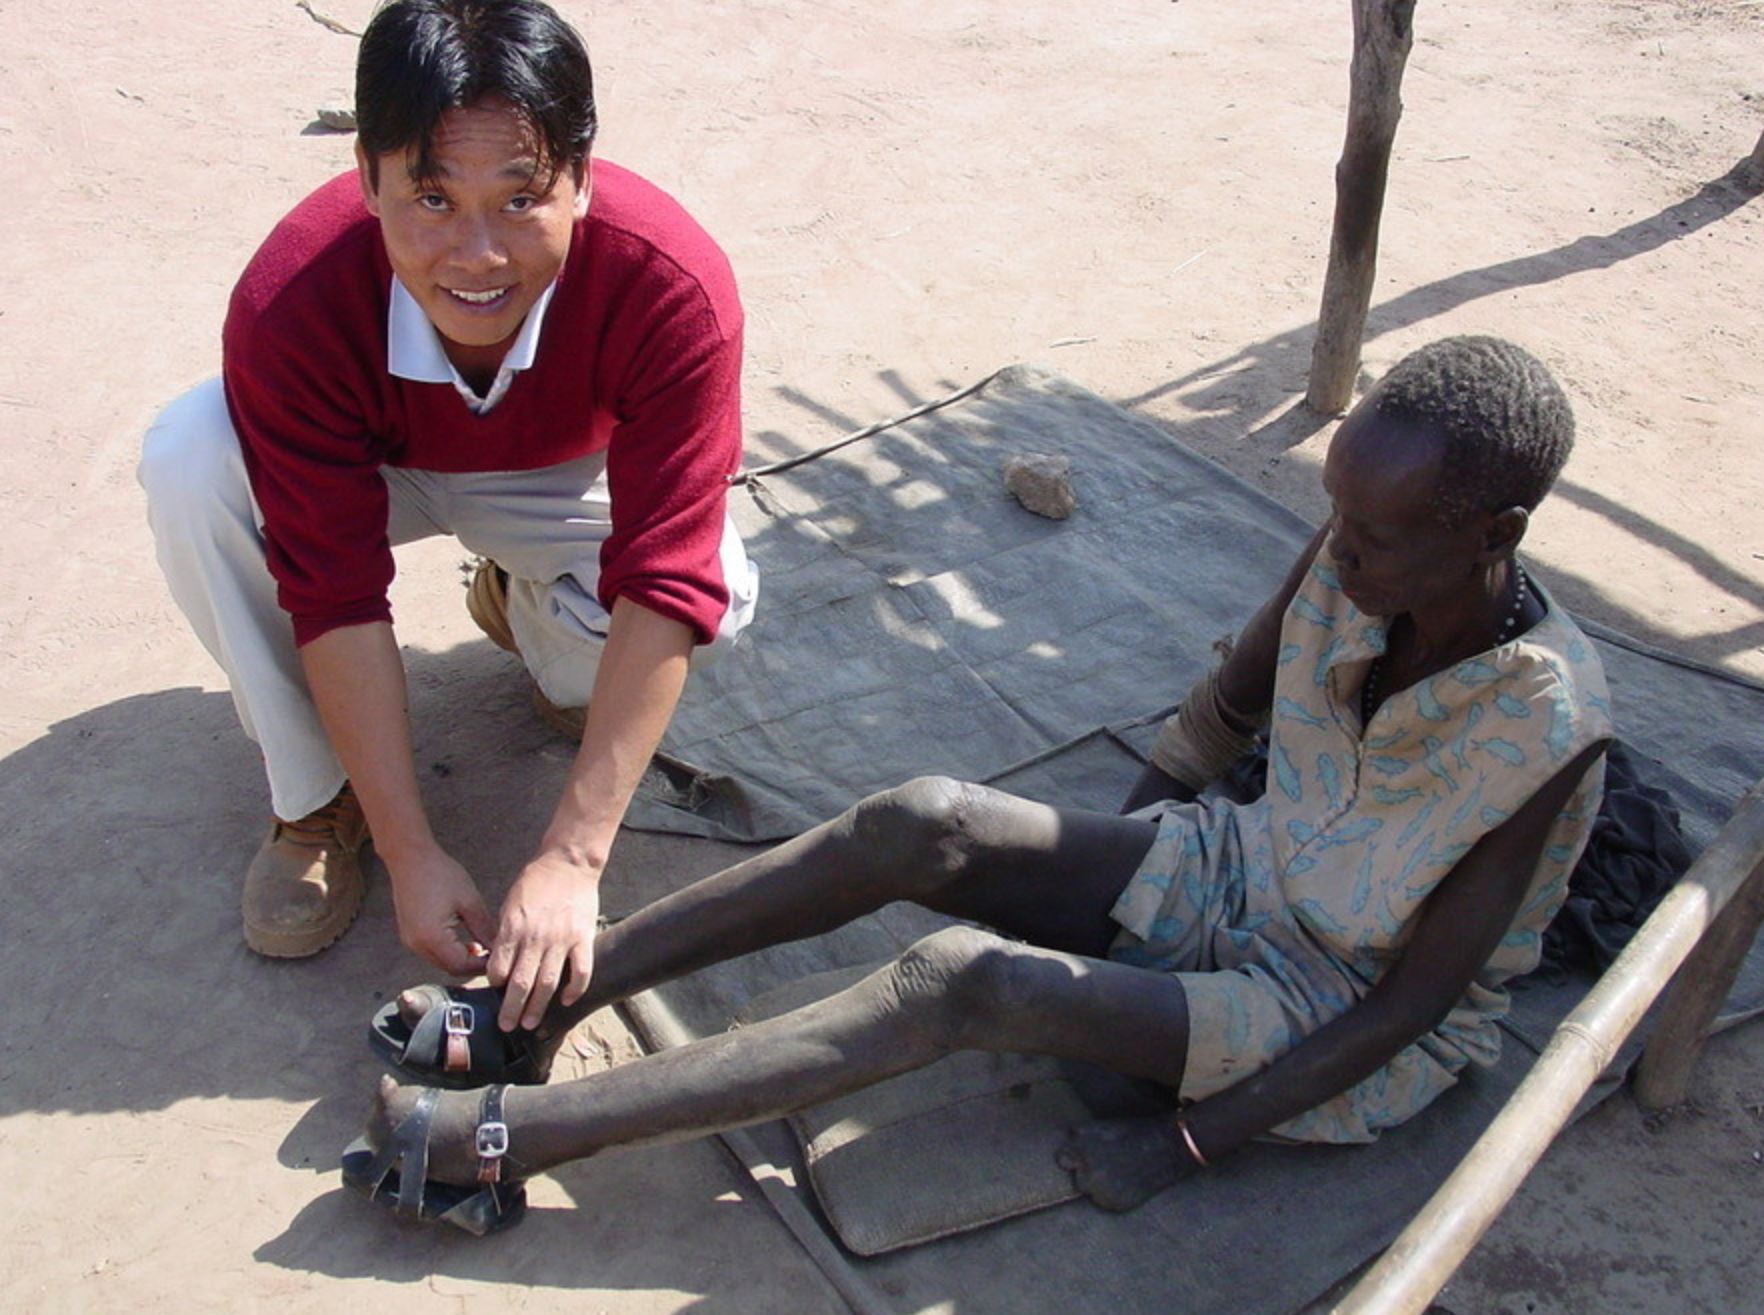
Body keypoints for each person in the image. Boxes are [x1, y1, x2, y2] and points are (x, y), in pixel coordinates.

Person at [345, 336, 1612, 1232]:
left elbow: (1405, 1008)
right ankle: (551, 999)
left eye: (1376, 532)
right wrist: (1104, 871)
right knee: (926, 820)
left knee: (966, 979)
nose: (1340, 545)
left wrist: (1180, 1143)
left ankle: (514, 1138)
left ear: (1491, 536)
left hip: (1332, 1008)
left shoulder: (1548, 731)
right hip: (1245, 867)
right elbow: (1229, 702)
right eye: (1336, 510)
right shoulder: (1359, 552)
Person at [137, 0, 758, 1031]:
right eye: (430, 196)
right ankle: (313, 796)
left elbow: (667, 569)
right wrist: (408, 848)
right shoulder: (294, 298)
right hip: (370, 469)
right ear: (367, 176)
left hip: (558, 472)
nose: (477, 254)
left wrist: (571, 854)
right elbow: (331, 588)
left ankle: (527, 608)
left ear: (584, 177)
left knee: (719, 591)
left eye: (522, 198)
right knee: (190, 458)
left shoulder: (671, 287)